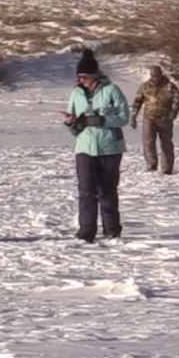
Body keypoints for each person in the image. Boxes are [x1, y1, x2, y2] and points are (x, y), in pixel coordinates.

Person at [61, 48, 129, 242]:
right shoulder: (76, 94)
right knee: (86, 191)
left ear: (95, 76)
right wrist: (71, 123)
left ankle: (112, 230)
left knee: (107, 190)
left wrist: (101, 120)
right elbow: (74, 125)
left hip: (109, 148)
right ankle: (86, 231)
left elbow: (124, 117)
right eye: (79, 77)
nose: (81, 81)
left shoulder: (112, 90)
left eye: (85, 77)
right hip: (84, 148)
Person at [131, 64, 179, 174]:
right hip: (149, 118)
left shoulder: (169, 86)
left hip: (165, 118)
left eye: (157, 76)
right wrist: (134, 116)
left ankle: (167, 167)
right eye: (153, 76)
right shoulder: (144, 87)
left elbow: (177, 99)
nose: (156, 78)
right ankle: (151, 164)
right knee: (148, 142)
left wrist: (173, 112)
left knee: (166, 143)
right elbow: (137, 102)